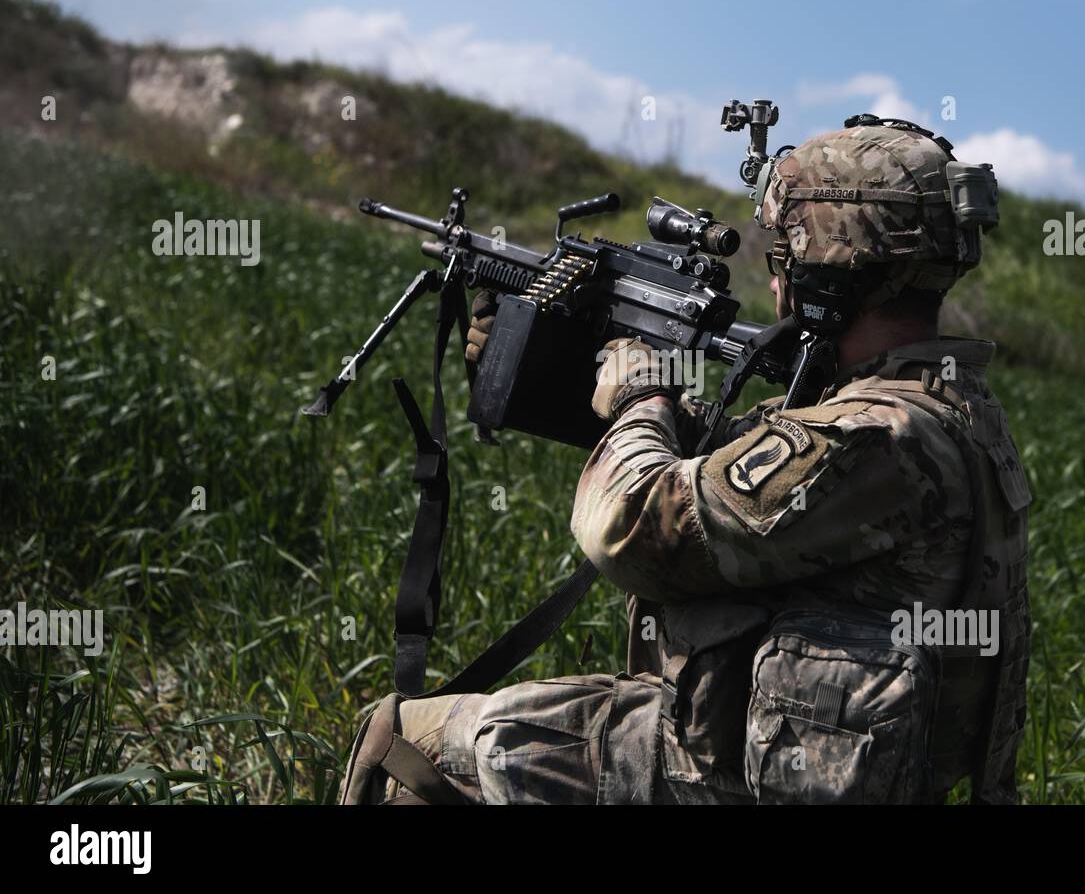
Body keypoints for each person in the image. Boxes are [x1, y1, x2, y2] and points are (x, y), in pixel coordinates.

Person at [340, 116, 1031, 805]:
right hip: (786, 759)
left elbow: (631, 526)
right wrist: (538, 359)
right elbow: (737, 467)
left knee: (404, 742)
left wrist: (644, 396)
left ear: (830, 269)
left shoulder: (874, 436)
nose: (775, 282)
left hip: (726, 778)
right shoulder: (942, 410)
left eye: (783, 258)